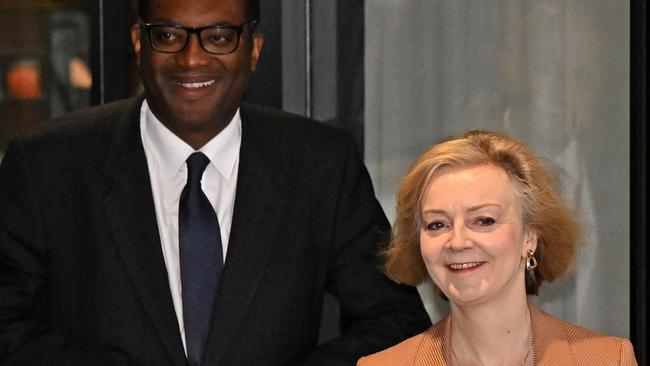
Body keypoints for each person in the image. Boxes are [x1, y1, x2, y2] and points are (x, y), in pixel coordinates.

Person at [0, 0, 431, 365]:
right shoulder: (48, 164)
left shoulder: (320, 163)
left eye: (219, 37)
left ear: (254, 49)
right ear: (138, 42)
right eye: (169, 36)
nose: (192, 59)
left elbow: (394, 321)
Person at [357, 130, 637, 365]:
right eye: (437, 225)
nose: (457, 242)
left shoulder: (609, 360)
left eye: (483, 220)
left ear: (530, 236)